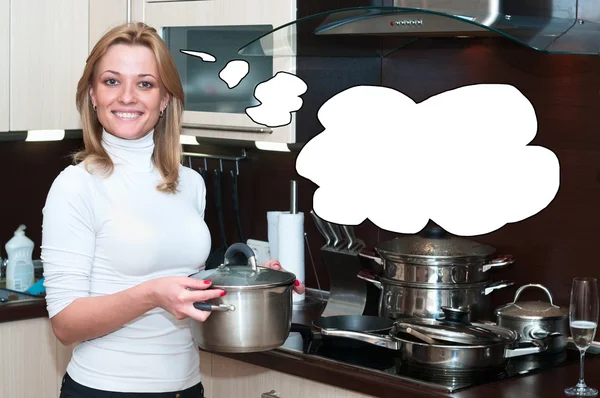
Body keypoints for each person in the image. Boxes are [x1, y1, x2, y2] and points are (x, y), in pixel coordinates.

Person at [41, 21, 305, 398]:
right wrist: (152, 295)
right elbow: (66, 325)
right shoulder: (76, 185)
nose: (127, 97)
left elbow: (183, 281)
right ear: (93, 95)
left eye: (145, 83)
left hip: (185, 386)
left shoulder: (188, 183)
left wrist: (246, 278)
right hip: (106, 389)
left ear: (165, 99)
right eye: (112, 81)